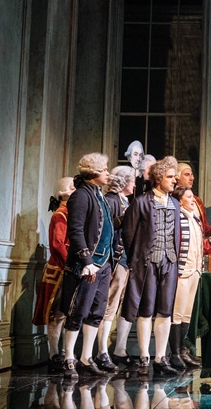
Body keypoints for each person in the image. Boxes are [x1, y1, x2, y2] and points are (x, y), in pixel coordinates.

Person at [121, 156, 181, 376]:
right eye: (170, 177)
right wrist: (136, 259)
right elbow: (128, 234)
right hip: (147, 264)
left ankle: (160, 357)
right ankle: (145, 356)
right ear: (158, 178)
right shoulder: (141, 202)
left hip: (169, 262)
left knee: (165, 311)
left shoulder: (175, 203)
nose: (174, 181)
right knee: (146, 310)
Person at [60, 153, 118, 378]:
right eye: (104, 169)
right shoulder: (81, 196)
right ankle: (69, 358)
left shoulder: (99, 194)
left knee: (96, 312)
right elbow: (75, 231)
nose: (107, 173)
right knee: (78, 311)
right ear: (93, 172)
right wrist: (86, 261)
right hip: (88, 264)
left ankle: (86, 358)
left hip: (104, 263)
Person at [168, 186, 211, 370]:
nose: (193, 200)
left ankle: (183, 351)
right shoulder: (177, 218)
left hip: (195, 271)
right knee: (177, 314)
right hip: (182, 271)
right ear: (180, 201)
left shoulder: (195, 220)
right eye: (189, 197)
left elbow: (203, 246)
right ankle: (175, 354)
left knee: (186, 314)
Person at [32, 177, 75, 374]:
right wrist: (70, 264)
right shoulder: (60, 215)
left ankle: (67, 353)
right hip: (60, 270)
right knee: (57, 314)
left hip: (71, 268)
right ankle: (54, 354)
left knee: (69, 313)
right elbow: (58, 244)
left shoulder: (72, 214)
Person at [96, 166, 136, 370]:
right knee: (108, 306)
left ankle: (114, 350)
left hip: (126, 260)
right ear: (123, 181)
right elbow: (106, 231)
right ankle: (101, 352)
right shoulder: (111, 200)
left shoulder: (125, 201)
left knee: (117, 306)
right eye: (132, 180)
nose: (135, 185)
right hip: (115, 260)